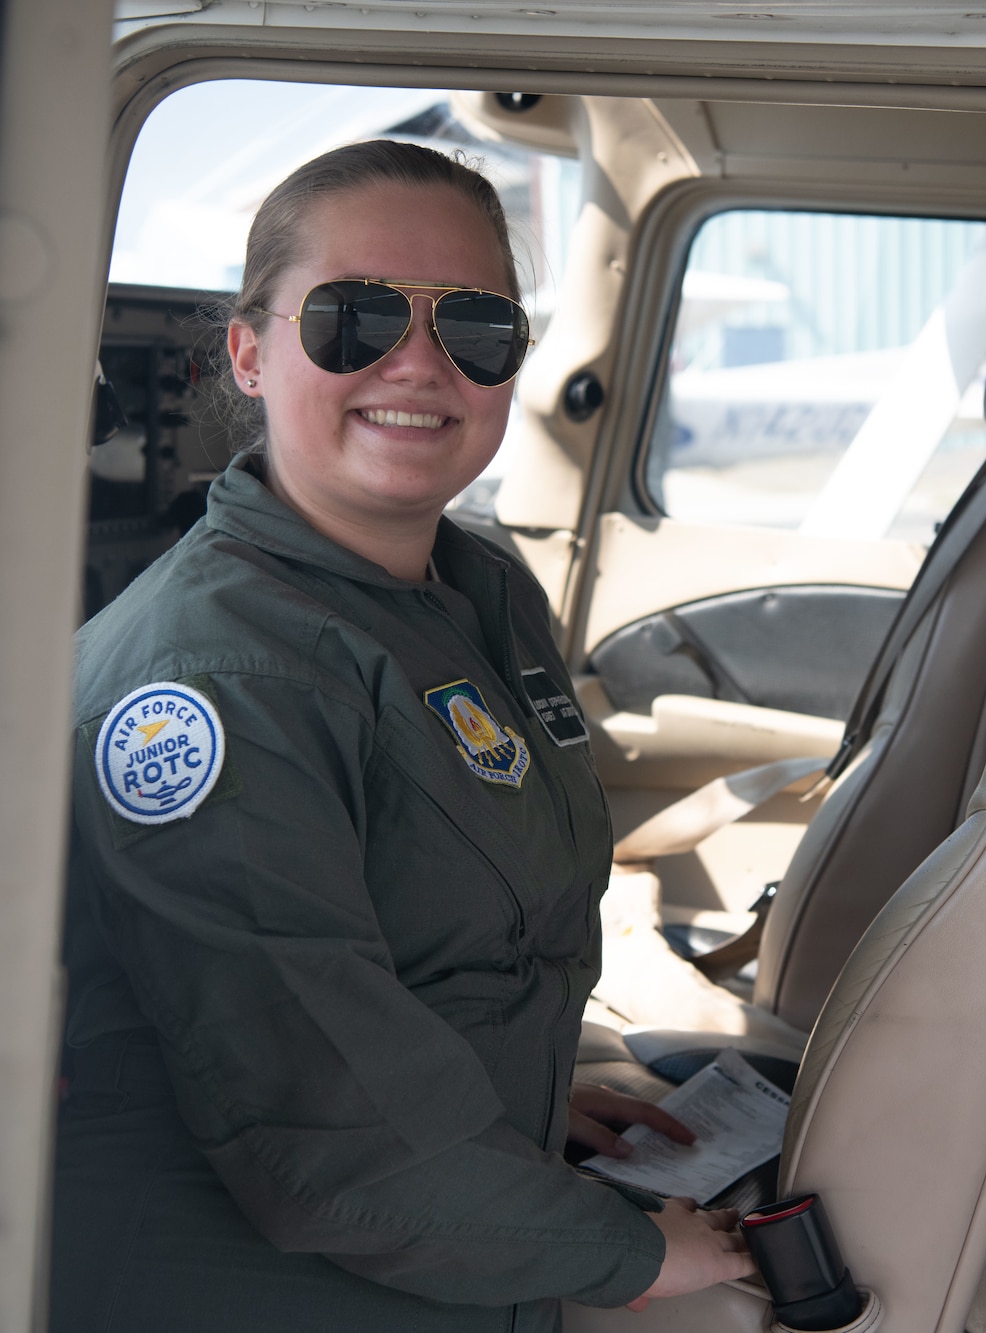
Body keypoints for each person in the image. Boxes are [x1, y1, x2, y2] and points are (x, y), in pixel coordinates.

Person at [50, 140, 753, 1332]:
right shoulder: (213, 680)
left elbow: (429, 954)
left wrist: (525, 1090)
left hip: (440, 1220)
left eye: (472, 327)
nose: (416, 362)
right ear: (247, 353)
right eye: (353, 316)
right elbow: (329, 1140)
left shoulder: (478, 593)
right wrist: (628, 1252)